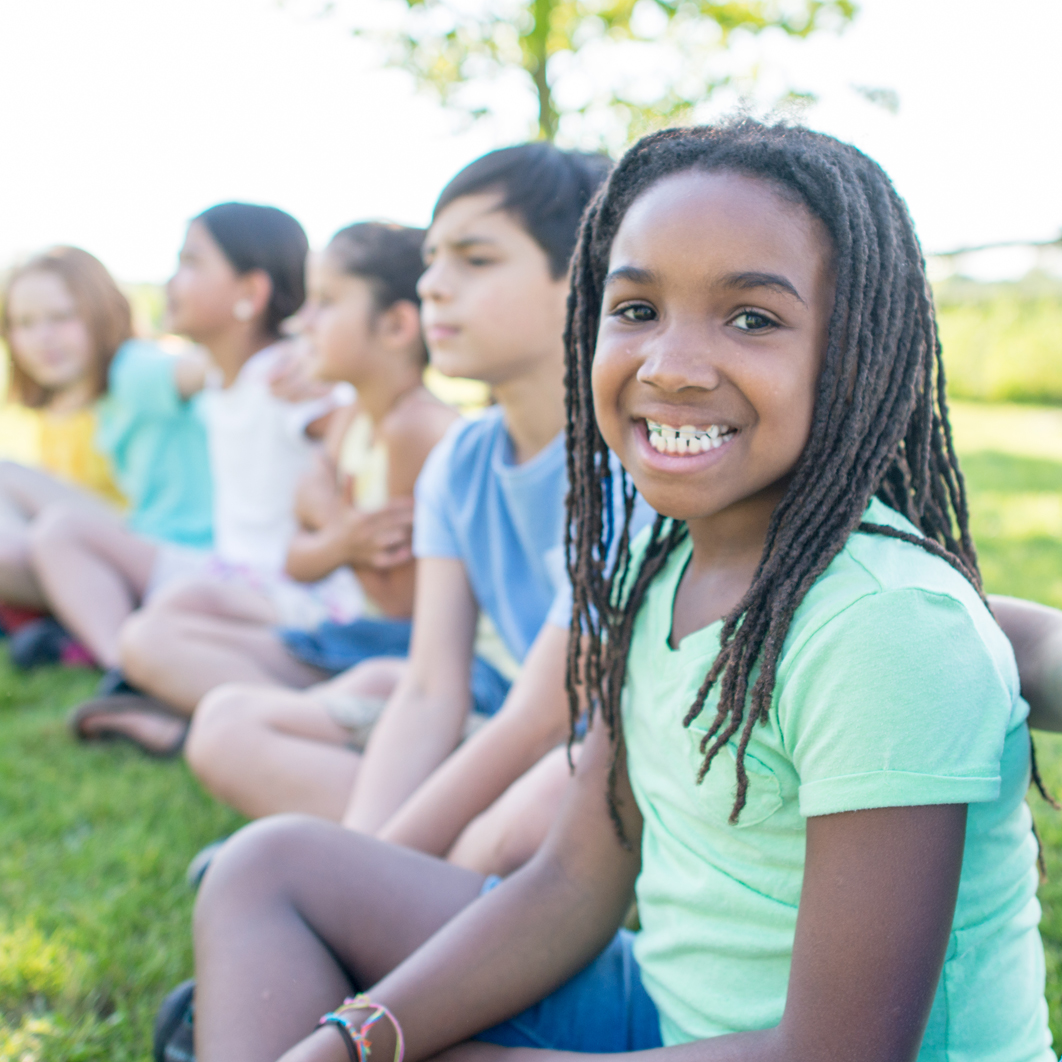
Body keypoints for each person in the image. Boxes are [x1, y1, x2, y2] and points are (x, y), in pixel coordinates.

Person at [175, 120, 1053, 1061]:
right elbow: (570, 884)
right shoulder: (655, 566)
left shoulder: (888, 626)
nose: (669, 365)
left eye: (752, 317)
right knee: (266, 867)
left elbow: (837, 1051)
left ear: (854, 354)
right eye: (636, 310)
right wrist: (364, 1038)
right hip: (665, 1007)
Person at [177, 144, 615, 868]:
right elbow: (428, 688)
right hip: (498, 724)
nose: (433, 286)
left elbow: (547, 722)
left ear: (581, 277)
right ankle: (360, 866)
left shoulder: (625, 465)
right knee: (229, 727)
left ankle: (357, 872)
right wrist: (367, 869)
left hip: (592, 763)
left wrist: (365, 878)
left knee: (514, 824)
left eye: (476, 260)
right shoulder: (462, 463)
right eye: (433, 258)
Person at [106, 220, 460, 754]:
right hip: (345, 630)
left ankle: (286, 725)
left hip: (383, 646)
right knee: (157, 629)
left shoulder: (411, 428)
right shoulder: (354, 423)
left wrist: (330, 527)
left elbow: (401, 604)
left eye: (326, 302)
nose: (302, 321)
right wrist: (340, 539)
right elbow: (300, 557)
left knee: (156, 642)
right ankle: (278, 719)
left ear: (395, 327)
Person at [34, 203, 347, 755]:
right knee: (64, 533)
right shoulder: (219, 380)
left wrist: (329, 375)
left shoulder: (284, 378)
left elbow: (358, 420)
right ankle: (132, 681)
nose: (170, 281)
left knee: (162, 626)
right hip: (228, 574)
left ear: (249, 292)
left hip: (289, 595)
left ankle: (272, 716)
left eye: (190, 263)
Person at [0, 246, 212, 663]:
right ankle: (63, 621)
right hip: (109, 550)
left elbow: (199, 369)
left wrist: (274, 360)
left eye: (61, 317)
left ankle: (82, 632)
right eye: (24, 324)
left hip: (164, 551)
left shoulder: (134, 370)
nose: (44, 337)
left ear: (102, 312)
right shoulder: (53, 413)